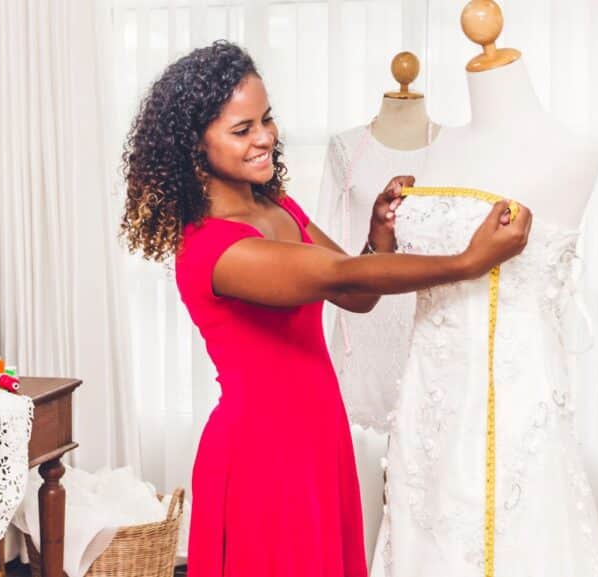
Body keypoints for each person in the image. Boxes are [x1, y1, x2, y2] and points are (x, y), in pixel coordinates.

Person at [119, 40, 531, 577]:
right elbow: (340, 274)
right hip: (262, 453)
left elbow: (356, 297)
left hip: (317, 432)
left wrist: (379, 233)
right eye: (242, 130)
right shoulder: (213, 251)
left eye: (266, 120)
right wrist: (468, 262)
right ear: (193, 147)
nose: (265, 137)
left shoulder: (276, 206)